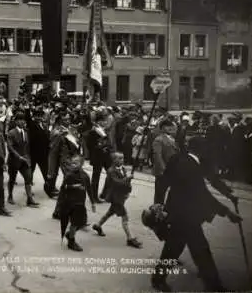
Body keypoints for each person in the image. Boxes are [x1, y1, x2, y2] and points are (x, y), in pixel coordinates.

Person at [151, 137, 242, 292]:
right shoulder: (188, 166)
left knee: (175, 248)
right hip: (185, 215)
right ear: (201, 149)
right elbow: (202, 193)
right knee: (198, 250)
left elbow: (212, 179)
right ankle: (214, 286)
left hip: (179, 212)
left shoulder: (182, 159)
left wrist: (228, 194)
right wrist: (226, 212)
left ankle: (158, 279)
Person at [92, 152, 142, 248]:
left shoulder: (123, 168)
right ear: (114, 160)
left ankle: (98, 225)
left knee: (109, 213)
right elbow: (117, 183)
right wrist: (127, 179)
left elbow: (124, 182)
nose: (122, 160)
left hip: (121, 196)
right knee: (125, 217)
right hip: (116, 198)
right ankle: (130, 238)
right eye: (119, 158)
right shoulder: (111, 171)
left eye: (122, 158)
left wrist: (128, 187)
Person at [58, 155, 95, 252]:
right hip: (70, 203)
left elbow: (89, 189)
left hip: (80, 204)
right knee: (74, 223)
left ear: (82, 164)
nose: (73, 165)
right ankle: (71, 242)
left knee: (82, 222)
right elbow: (63, 188)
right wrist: (74, 186)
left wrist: (93, 202)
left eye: (76, 163)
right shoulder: (69, 175)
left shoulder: (85, 176)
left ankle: (70, 234)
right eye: (72, 163)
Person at [6, 113, 39, 208]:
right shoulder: (11, 133)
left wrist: (28, 157)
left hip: (25, 160)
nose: (22, 121)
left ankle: (29, 199)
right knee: (12, 179)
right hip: (14, 160)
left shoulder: (26, 131)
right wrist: (19, 156)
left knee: (28, 178)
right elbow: (10, 147)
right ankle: (10, 196)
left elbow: (28, 146)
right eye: (19, 120)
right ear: (16, 121)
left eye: (23, 120)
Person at [86, 113, 113, 202]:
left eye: (105, 121)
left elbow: (109, 142)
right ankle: (94, 196)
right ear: (97, 122)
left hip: (106, 156)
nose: (104, 122)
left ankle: (104, 194)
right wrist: (100, 146)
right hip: (97, 156)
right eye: (102, 121)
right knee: (96, 177)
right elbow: (89, 145)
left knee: (111, 173)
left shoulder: (104, 130)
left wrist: (107, 146)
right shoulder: (93, 131)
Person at [152, 119, 179, 205]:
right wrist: (164, 169)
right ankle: (156, 212)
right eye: (168, 126)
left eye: (171, 126)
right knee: (160, 194)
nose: (171, 128)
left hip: (173, 170)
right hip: (163, 171)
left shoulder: (173, 139)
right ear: (163, 128)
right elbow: (158, 156)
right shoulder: (159, 140)